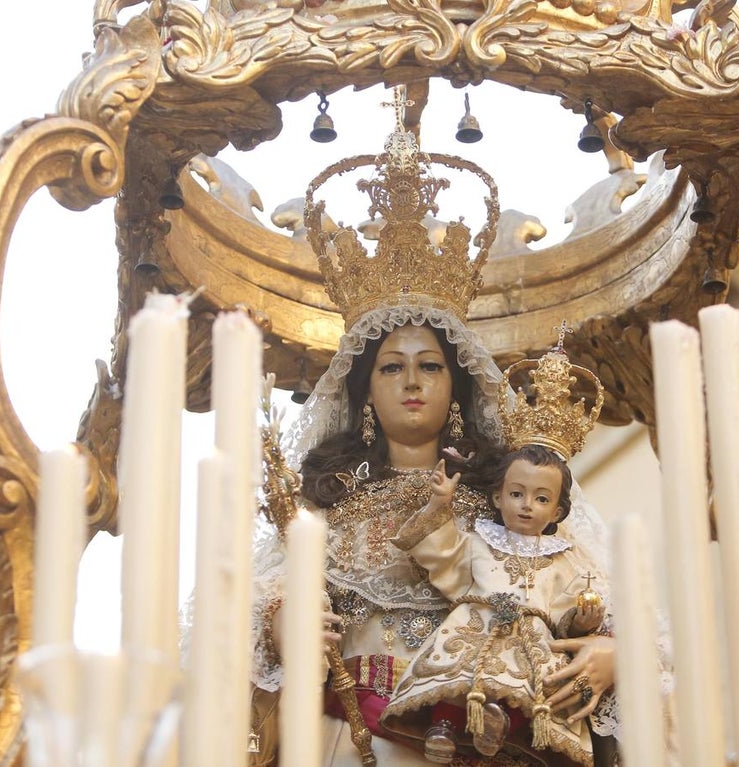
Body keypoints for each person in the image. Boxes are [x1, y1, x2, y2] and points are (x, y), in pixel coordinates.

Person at [244, 104, 635, 767]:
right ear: (365, 390)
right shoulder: (327, 504)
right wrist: (283, 626)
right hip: (358, 736)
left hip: (485, 732)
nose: (411, 382)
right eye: (390, 367)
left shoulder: (510, 498)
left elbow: (589, 594)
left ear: (457, 385)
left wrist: (610, 651)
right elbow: (261, 611)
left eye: (429, 366)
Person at [380, 344, 608, 766]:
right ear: (497, 497)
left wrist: (584, 619)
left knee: (531, 690)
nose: (526, 506)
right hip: (474, 626)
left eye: (541, 499)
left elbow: (566, 611)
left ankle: (501, 727)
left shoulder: (562, 559)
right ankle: (443, 725)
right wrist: (439, 505)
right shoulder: (481, 541)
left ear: (558, 512)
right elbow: (442, 555)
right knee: (454, 673)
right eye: (517, 494)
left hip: (531, 639)